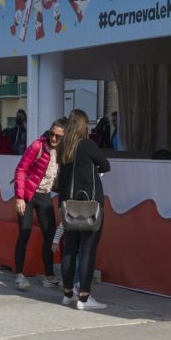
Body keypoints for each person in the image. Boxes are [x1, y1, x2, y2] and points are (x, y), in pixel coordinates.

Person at [57, 109, 110, 310]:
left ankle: (68, 293)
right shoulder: (87, 145)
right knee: (88, 250)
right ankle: (84, 298)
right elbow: (106, 165)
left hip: (68, 205)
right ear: (83, 125)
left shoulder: (63, 147)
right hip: (89, 205)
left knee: (69, 249)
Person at [12, 118, 66, 291]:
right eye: (52, 134)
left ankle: (49, 276)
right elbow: (21, 169)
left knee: (50, 235)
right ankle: (19, 275)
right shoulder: (38, 145)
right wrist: (19, 198)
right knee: (25, 232)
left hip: (44, 195)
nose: (54, 138)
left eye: (58, 136)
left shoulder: (64, 151)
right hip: (28, 193)